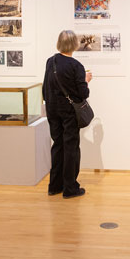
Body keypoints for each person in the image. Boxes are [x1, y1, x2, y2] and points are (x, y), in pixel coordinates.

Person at [42, 30, 92, 199]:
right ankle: (70, 188)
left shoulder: (51, 61)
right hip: (69, 112)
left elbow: (45, 88)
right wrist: (86, 80)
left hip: (52, 109)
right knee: (70, 147)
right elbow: (83, 93)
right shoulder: (76, 66)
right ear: (74, 44)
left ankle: (54, 186)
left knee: (57, 145)